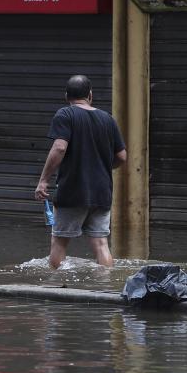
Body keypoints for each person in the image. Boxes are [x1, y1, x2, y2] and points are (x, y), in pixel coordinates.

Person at [34, 75, 126, 269]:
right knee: (101, 245)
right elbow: (122, 157)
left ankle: (56, 288)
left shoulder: (65, 115)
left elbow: (59, 147)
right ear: (90, 95)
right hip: (102, 192)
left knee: (58, 242)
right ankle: (105, 287)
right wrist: (101, 167)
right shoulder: (107, 119)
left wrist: (43, 180)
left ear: (66, 95)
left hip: (73, 190)